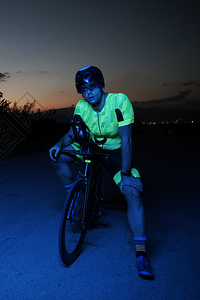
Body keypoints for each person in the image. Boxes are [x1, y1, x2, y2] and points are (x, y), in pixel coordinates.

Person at [49, 66, 154, 280]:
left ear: (102, 86)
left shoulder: (119, 101)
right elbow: (72, 134)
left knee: (132, 193)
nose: (89, 93)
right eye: (84, 90)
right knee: (57, 157)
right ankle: (78, 199)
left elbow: (127, 140)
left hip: (115, 153)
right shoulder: (81, 106)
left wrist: (125, 174)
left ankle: (141, 253)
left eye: (93, 87)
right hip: (91, 147)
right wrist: (57, 145)